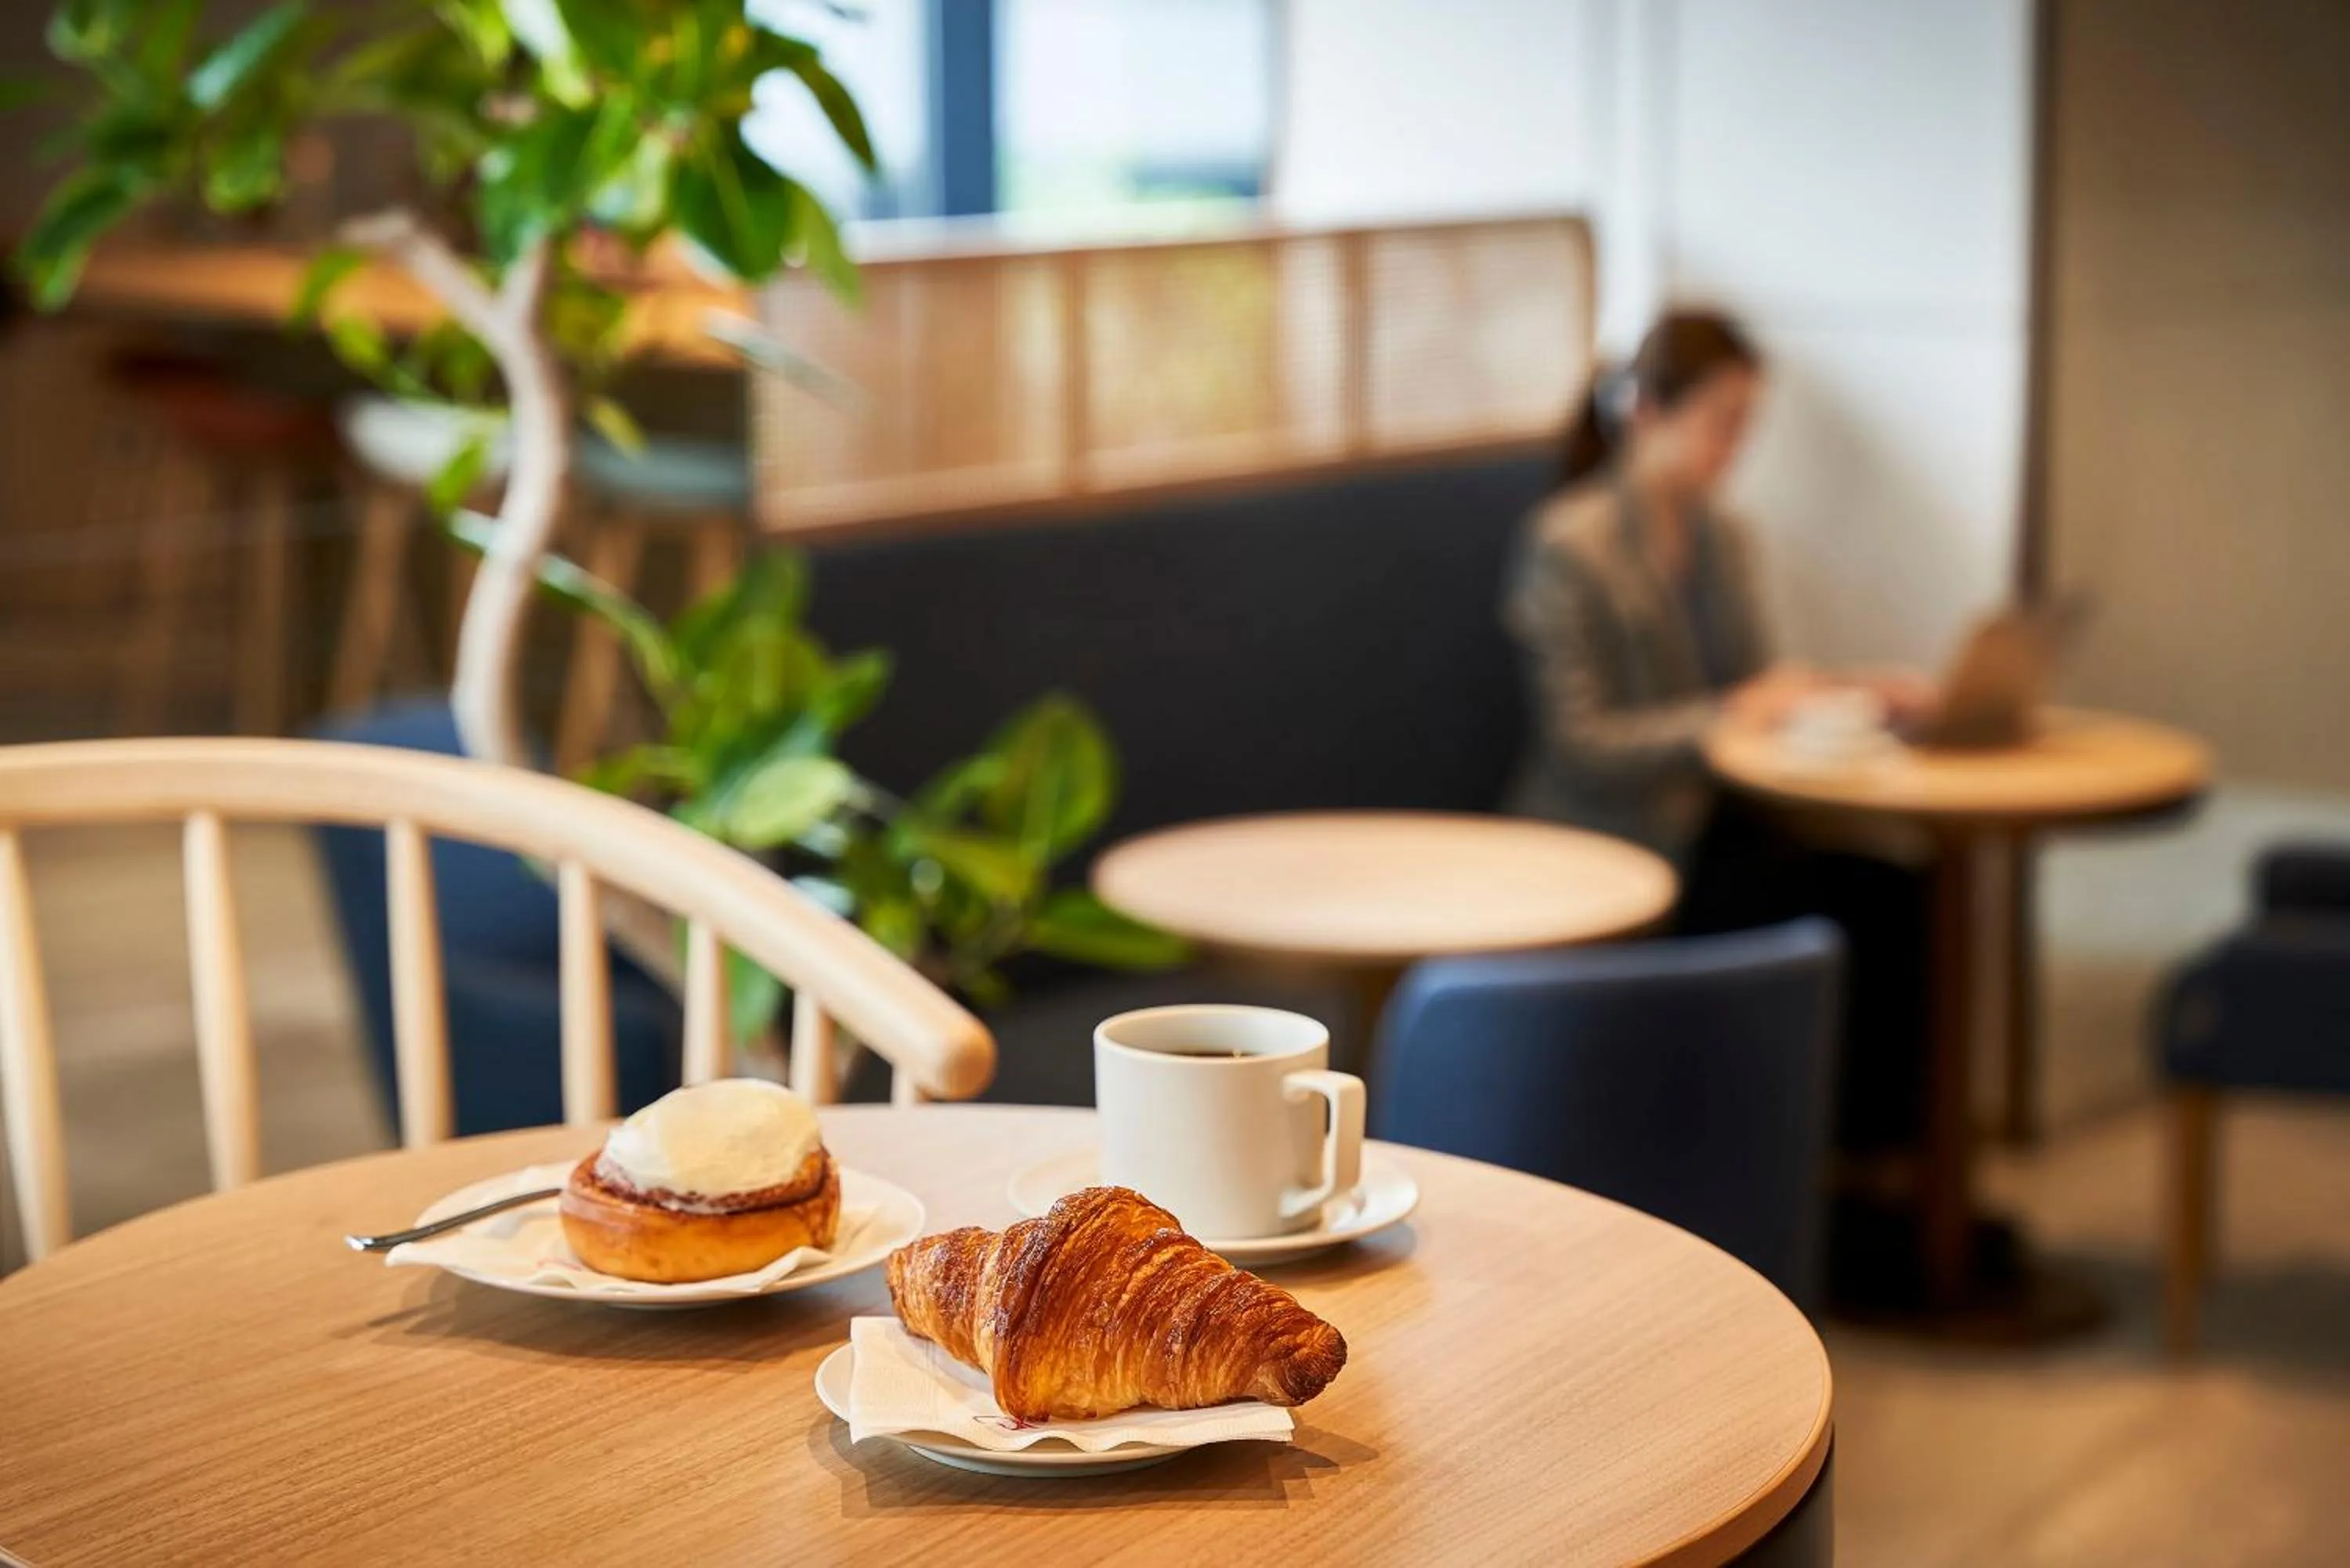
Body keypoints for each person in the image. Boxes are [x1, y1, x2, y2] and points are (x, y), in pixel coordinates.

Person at [1503, 307, 1929, 1167]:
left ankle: (1879, 1181)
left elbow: (1755, 688)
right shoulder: (1569, 543)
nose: (1734, 450)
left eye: (1746, 429)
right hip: (1613, 834)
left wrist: (1854, 694)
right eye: (1721, 424)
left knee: (1899, 884)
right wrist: (1732, 715)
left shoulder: (1723, 537)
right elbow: (1586, 741)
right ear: (1648, 413)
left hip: (1714, 821)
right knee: (1833, 908)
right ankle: (1836, 1176)